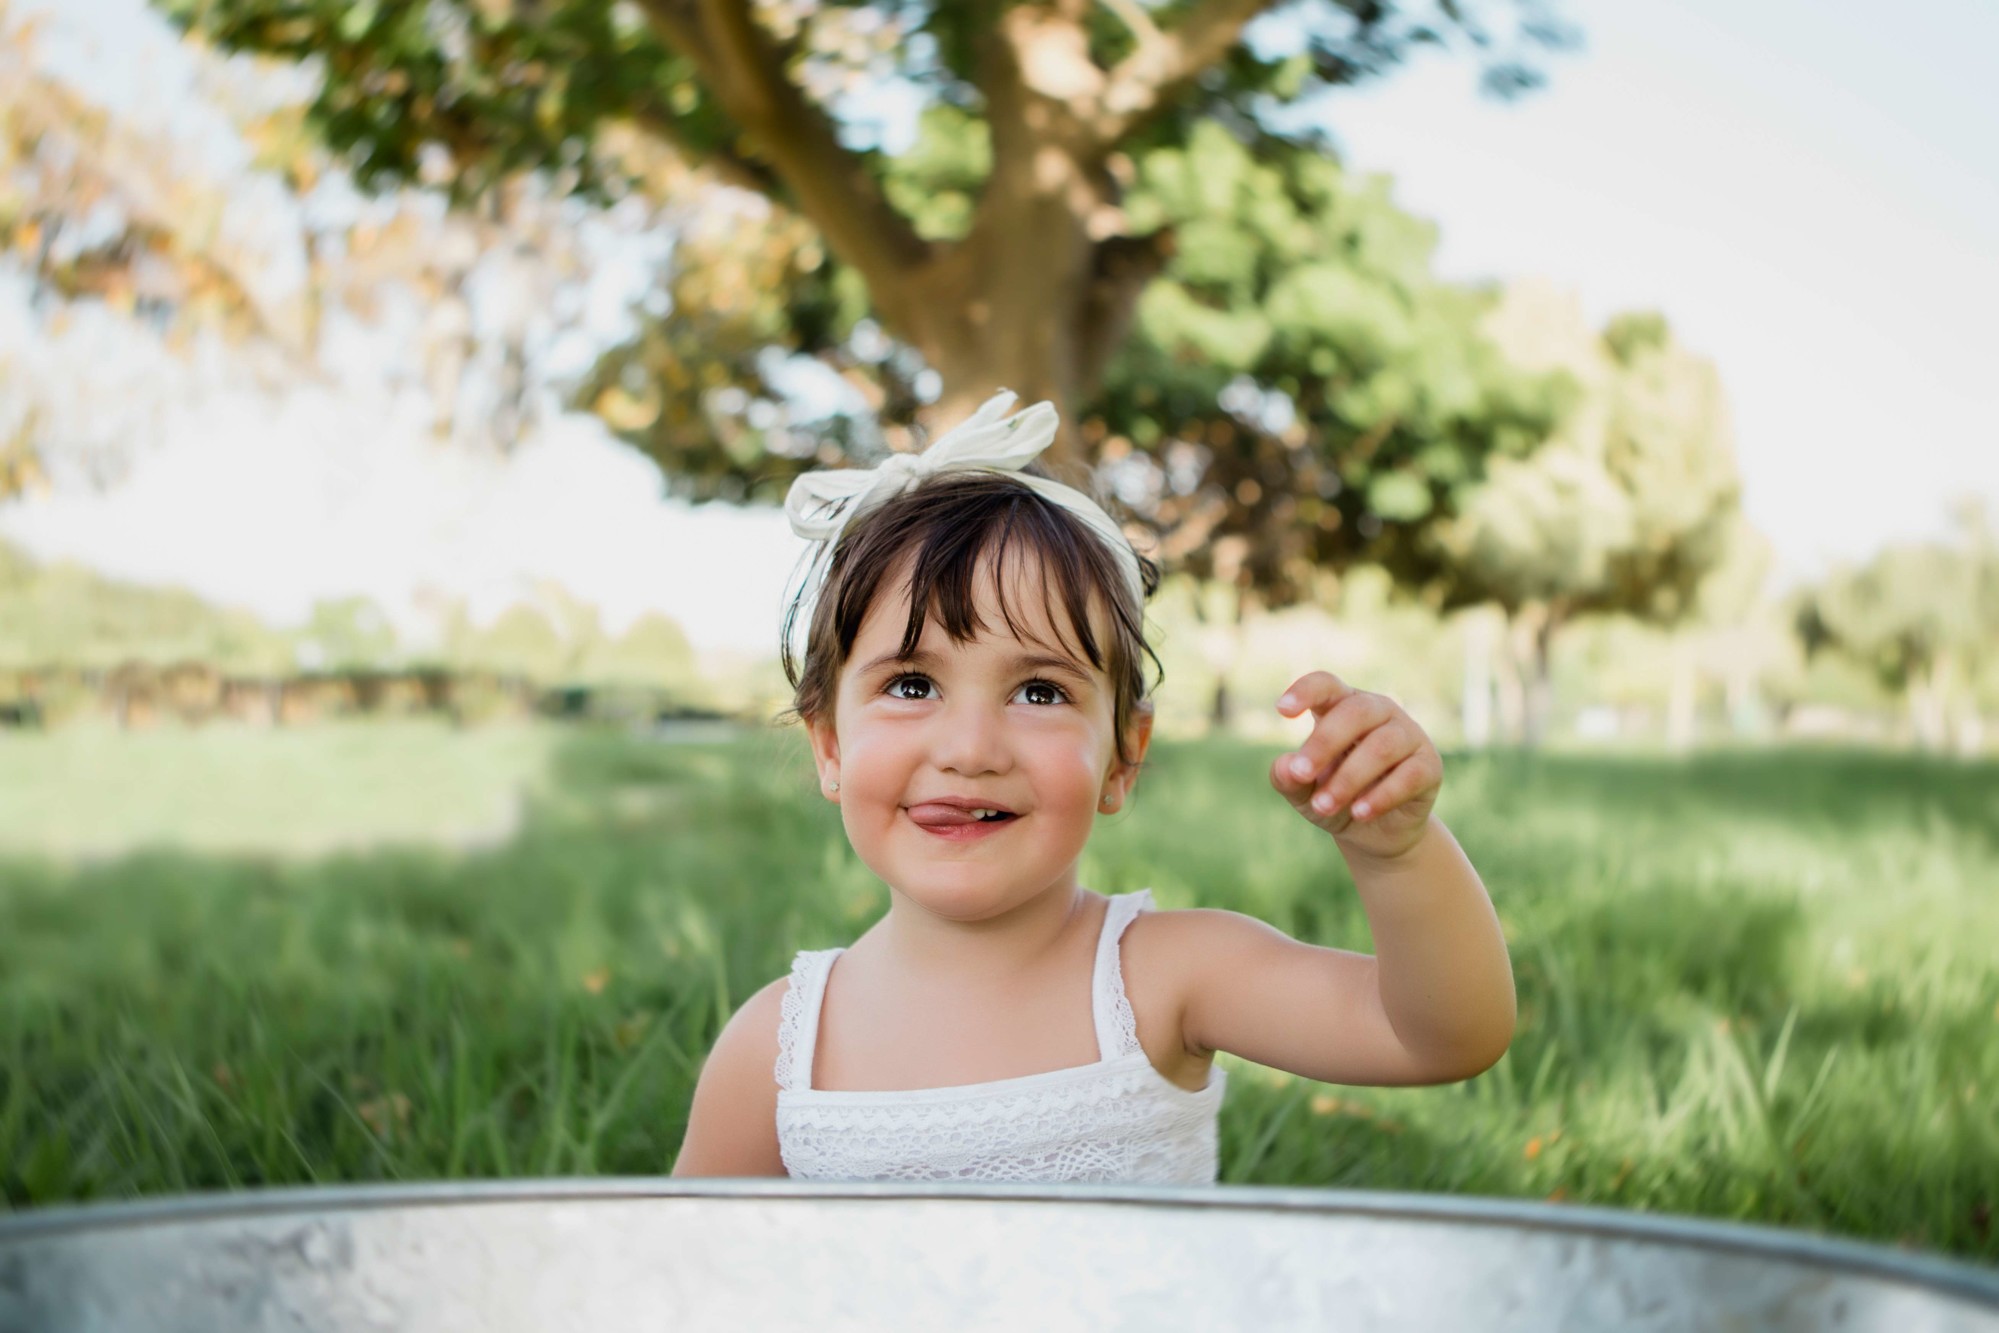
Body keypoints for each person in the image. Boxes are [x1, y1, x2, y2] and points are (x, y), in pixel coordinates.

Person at [671, 390, 1515, 1182]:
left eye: (1039, 692)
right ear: (828, 745)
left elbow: (1440, 1037)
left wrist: (1397, 857)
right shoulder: (780, 1048)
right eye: (911, 684)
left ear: (1122, 756)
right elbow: (679, 1278)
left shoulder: (1168, 980)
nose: (969, 748)